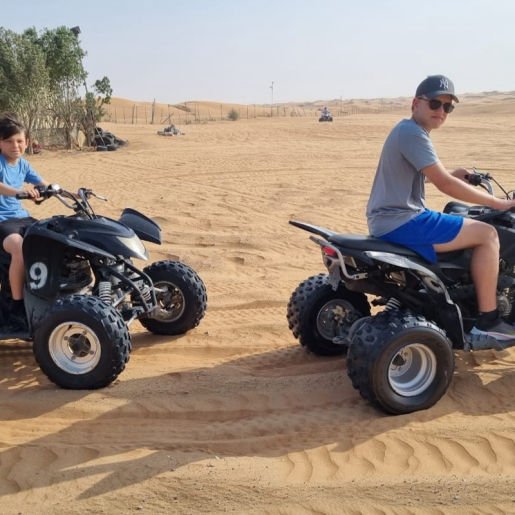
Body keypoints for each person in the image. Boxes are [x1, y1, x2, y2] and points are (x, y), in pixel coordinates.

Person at [366, 74, 515, 343]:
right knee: (488, 234)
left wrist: (454, 174)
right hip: (404, 221)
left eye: (448, 107)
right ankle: (489, 320)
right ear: (416, 103)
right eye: (435, 103)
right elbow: (443, 183)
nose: (441, 111)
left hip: (387, 220)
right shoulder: (412, 132)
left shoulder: (405, 131)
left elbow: (423, 175)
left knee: (458, 219)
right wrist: (497, 203)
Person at [0, 114, 48, 331]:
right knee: (19, 247)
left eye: (19, 141)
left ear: (27, 142)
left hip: (22, 217)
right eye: (9, 141)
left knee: (51, 236)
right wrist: (21, 192)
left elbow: (44, 184)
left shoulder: (24, 164)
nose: (15, 146)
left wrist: (65, 192)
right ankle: (17, 306)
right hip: (3, 221)